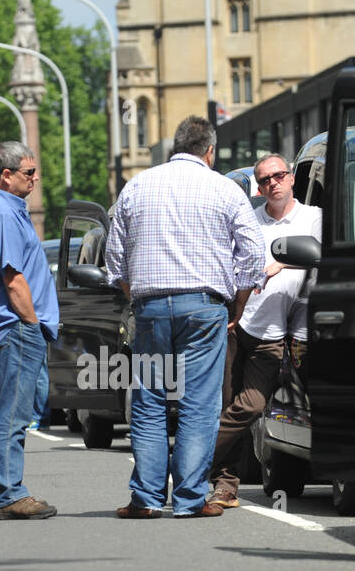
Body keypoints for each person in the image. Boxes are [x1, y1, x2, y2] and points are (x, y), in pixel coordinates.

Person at [105, 116, 266, 518]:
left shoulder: (137, 186)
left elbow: (114, 260)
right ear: (209, 151)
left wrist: (137, 299)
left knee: (147, 403)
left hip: (151, 309)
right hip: (204, 308)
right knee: (199, 405)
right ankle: (190, 499)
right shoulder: (225, 190)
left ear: (174, 147)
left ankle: (145, 500)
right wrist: (239, 304)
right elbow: (254, 255)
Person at [207, 154, 322, 507]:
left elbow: (324, 257)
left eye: (278, 176)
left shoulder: (315, 218)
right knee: (226, 403)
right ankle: (225, 485)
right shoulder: (250, 222)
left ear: (291, 179)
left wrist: (279, 263)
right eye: (265, 180)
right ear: (258, 188)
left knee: (251, 406)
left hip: (275, 330)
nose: (272, 183)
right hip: (235, 324)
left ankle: (191, 457)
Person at [0, 141, 60, 520]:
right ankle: (8, 495)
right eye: (29, 173)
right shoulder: (3, 213)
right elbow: (13, 279)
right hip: (15, 327)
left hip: (3, 328)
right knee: (13, 415)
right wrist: (33, 324)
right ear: (6, 176)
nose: (35, 179)